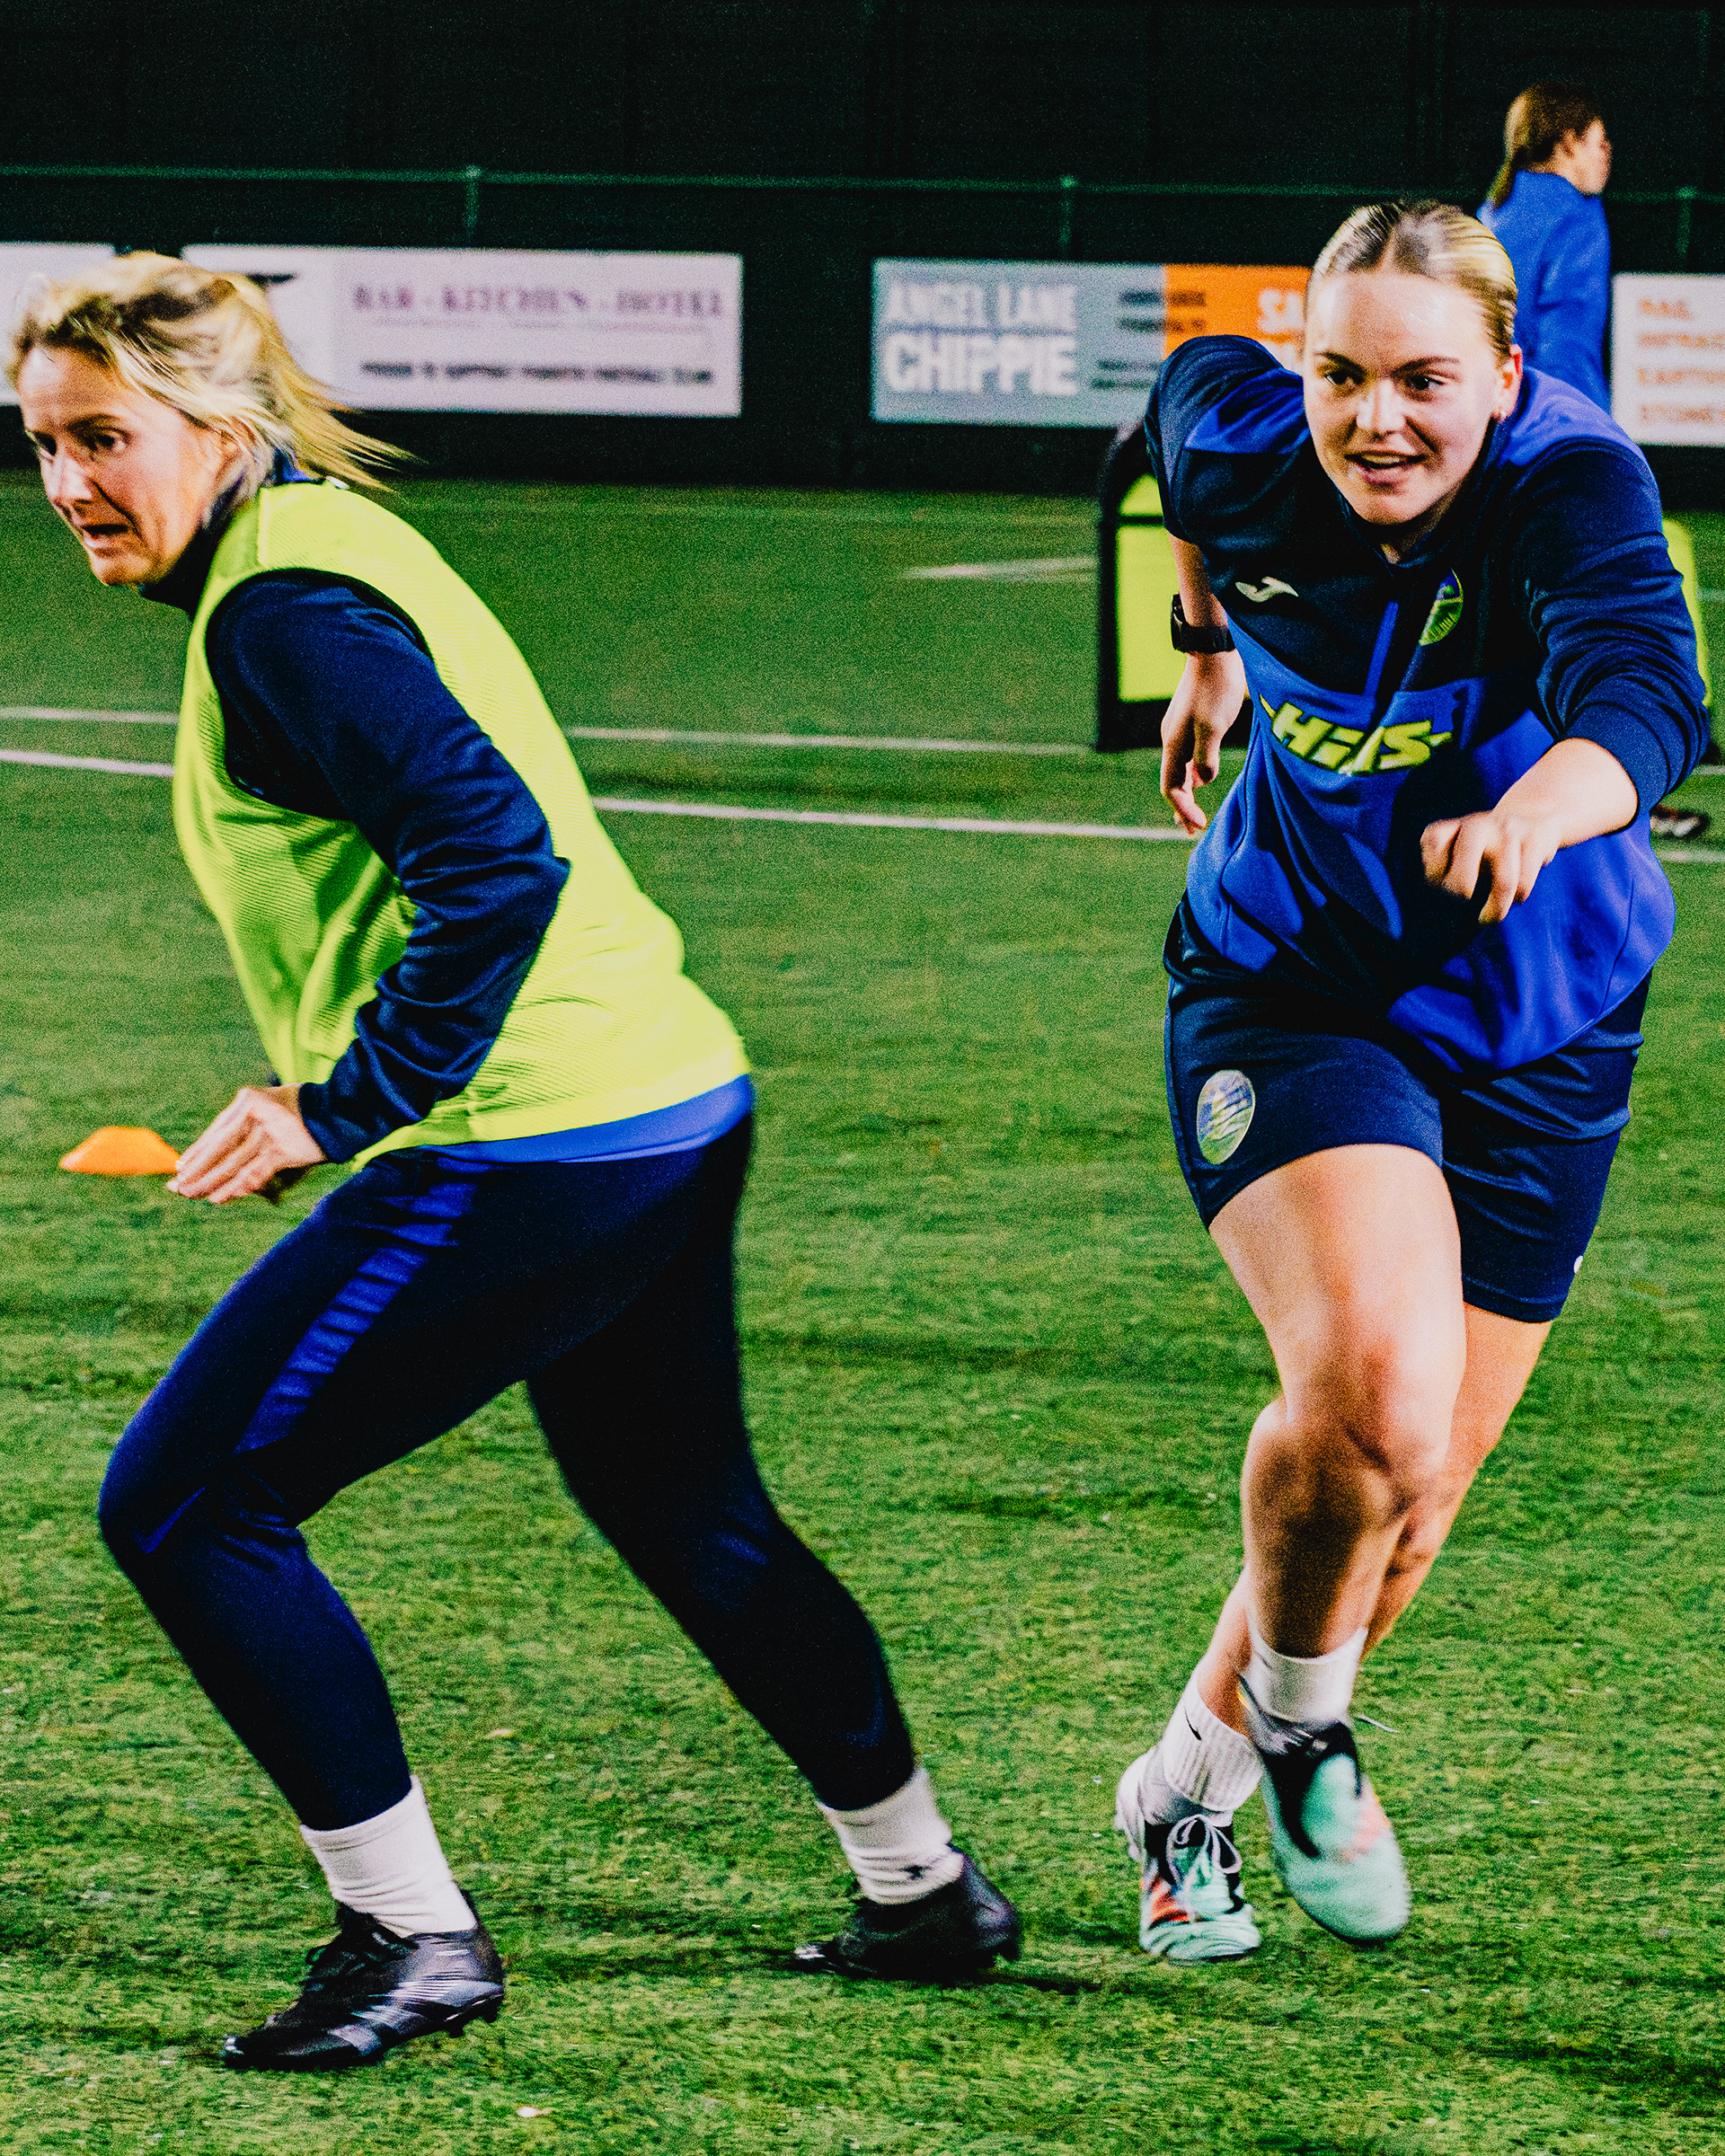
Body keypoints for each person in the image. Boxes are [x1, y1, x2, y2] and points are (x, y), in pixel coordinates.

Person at [9, 254, 1020, 2072]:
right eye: (42, 446)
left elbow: (493, 855)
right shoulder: (314, 545)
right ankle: (924, 1888)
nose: (69, 482)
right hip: (664, 1096)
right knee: (689, 1511)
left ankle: (415, 1940)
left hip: (537, 1136)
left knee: (183, 1505)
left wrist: (344, 1101)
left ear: (216, 428)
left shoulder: (284, 614)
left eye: (102, 438)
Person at [1110, 200, 1704, 1963]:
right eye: (1342, 376)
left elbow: (1648, 699)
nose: (1377, 420)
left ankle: (1184, 1795)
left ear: (1505, 375)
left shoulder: (1569, 484)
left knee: (1412, 1493)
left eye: (1426, 381)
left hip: (1546, 1015)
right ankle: (1309, 1730)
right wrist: (1204, 643)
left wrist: (1534, 811)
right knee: (1373, 1386)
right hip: (1293, 985)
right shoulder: (1249, 438)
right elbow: (1175, 432)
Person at [1479, 83, 1611, 411]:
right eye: (1599, 142)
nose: (1607, 153)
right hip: (1546, 412)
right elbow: (1567, 345)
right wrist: (1582, 425)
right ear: (1568, 142)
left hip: (1486, 406)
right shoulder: (1578, 217)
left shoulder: (1490, 214)